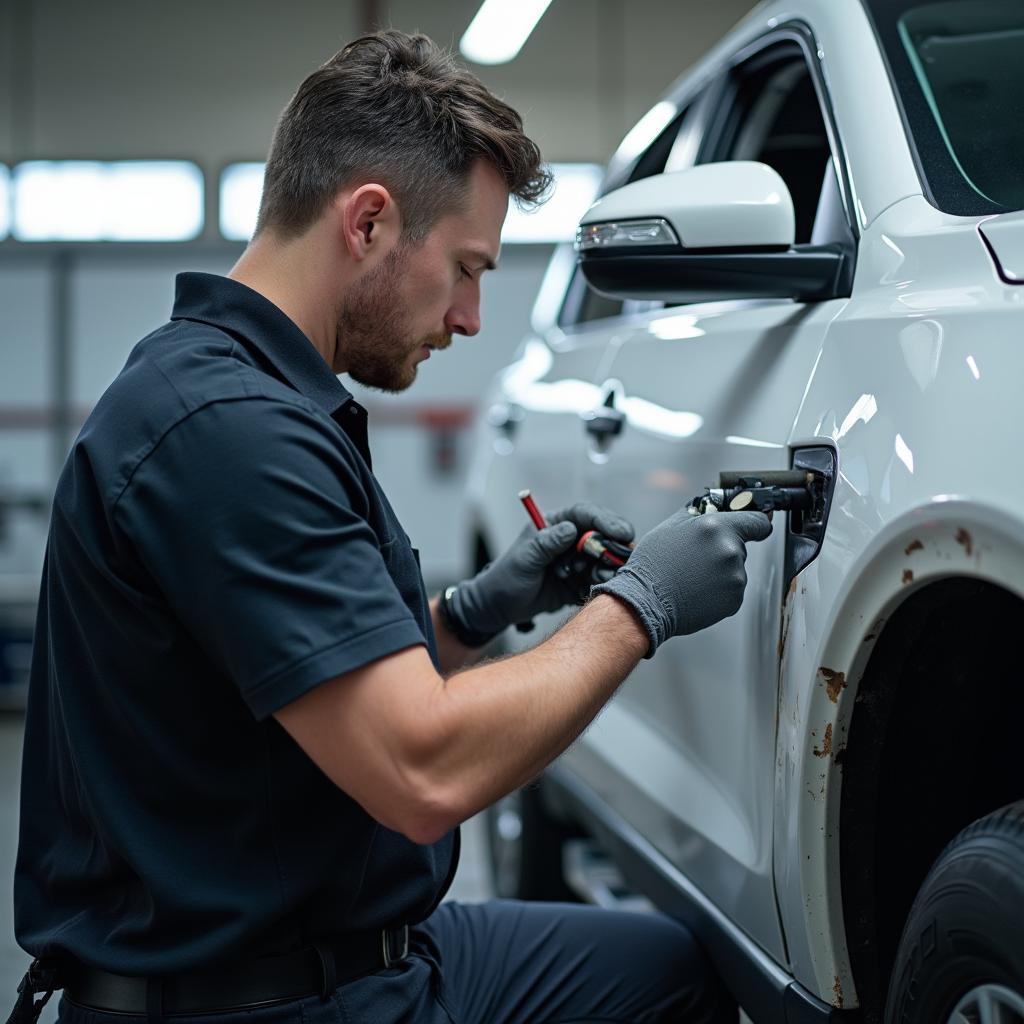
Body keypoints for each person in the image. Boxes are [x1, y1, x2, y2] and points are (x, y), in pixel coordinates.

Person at [12, 30, 771, 1024]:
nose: (467, 317)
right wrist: (643, 602)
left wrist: (467, 611)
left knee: (662, 968)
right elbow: (423, 770)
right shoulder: (231, 436)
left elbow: (283, 666)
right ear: (368, 221)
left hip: (326, 938)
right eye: (465, 268)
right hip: (256, 996)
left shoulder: (233, 396)